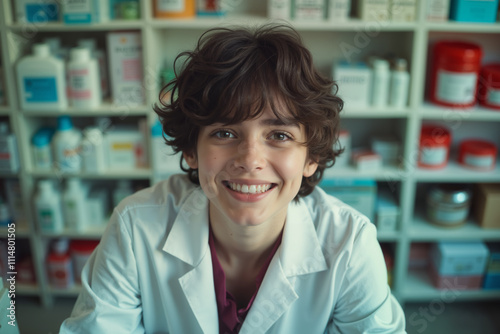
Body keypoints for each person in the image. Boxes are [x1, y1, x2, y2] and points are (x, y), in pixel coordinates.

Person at [60, 24, 406, 333]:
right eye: (225, 133)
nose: (250, 160)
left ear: (311, 157)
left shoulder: (350, 244)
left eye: (280, 136)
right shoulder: (135, 226)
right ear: (191, 150)